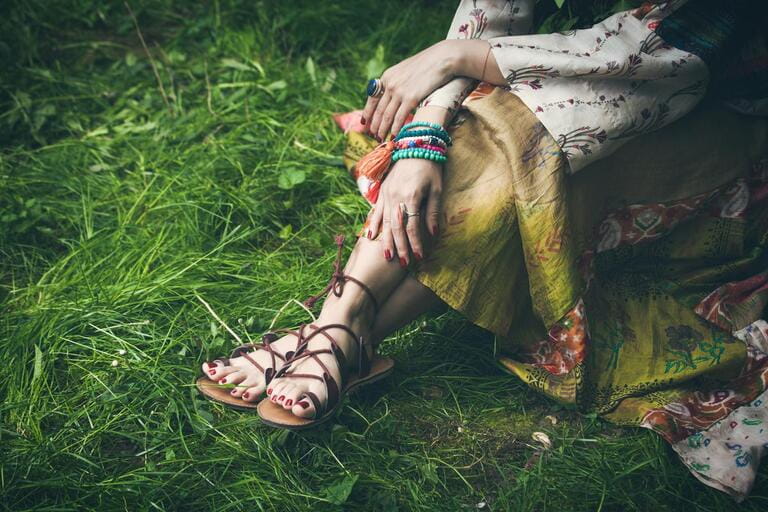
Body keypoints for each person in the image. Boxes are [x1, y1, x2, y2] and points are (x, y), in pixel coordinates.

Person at [197, 0, 768, 500]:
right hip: (564, 79)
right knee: (485, 131)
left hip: (715, 122)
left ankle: (327, 337)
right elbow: (493, 13)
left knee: (527, 152)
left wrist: (456, 58)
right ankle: (340, 335)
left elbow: (672, 54)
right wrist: (427, 133)